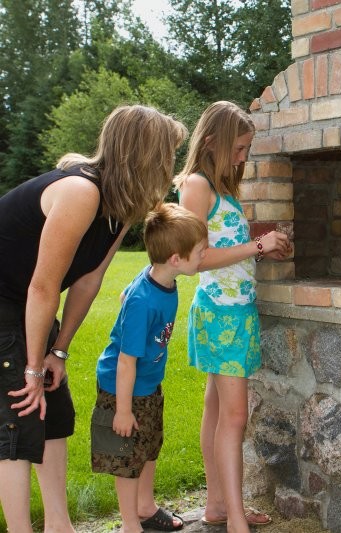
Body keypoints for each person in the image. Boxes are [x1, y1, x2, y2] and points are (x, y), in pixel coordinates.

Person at [0, 105, 187, 533]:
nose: (171, 165)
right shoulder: (81, 192)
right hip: (8, 299)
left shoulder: (123, 206)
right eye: (168, 154)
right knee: (18, 418)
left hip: (23, 301)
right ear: (146, 156)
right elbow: (43, 287)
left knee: (53, 410)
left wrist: (58, 351)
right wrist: (31, 366)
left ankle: (59, 526)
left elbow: (88, 281)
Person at [174, 101, 290, 532]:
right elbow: (192, 260)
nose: (244, 158)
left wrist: (261, 241)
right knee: (235, 416)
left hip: (235, 312)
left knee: (216, 410)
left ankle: (218, 506)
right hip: (220, 316)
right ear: (212, 143)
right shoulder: (196, 187)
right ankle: (235, 518)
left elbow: (226, 248)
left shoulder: (222, 189)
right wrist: (257, 247)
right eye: (239, 148)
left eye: (246, 149)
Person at [91, 203, 207, 533]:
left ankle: (145, 507)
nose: (204, 255)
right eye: (200, 251)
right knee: (126, 457)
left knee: (150, 445)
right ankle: (130, 525)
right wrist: (123, 411)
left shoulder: (162, 281)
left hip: (148, 383)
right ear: (176, 258)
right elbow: (126, 362)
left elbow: (133, 288)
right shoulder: (144, 301)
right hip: (122, 388)